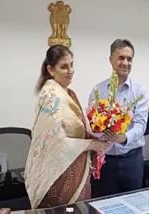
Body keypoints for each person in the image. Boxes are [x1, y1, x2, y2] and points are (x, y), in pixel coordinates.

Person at [25, 45, 109, 208]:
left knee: (78, 210)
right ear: (50, 69)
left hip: (76, 163)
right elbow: (55, 142)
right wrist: (92, 144)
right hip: (59, 171)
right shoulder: (51, 96)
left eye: (72, 65)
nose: (70, 70)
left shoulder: (68, 93)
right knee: (65, 210)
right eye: (64, 67)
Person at [89, 39, 149, 197]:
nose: (126, 62)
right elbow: (90, 123)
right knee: (105, 205)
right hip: (105, 161)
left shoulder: (140, 90)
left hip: (132, 160)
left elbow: (141, 125)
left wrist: (123, 138)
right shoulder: (98, 90)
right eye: (121, 57)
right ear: (111, 60)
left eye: (129, 59)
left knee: (133, 205)